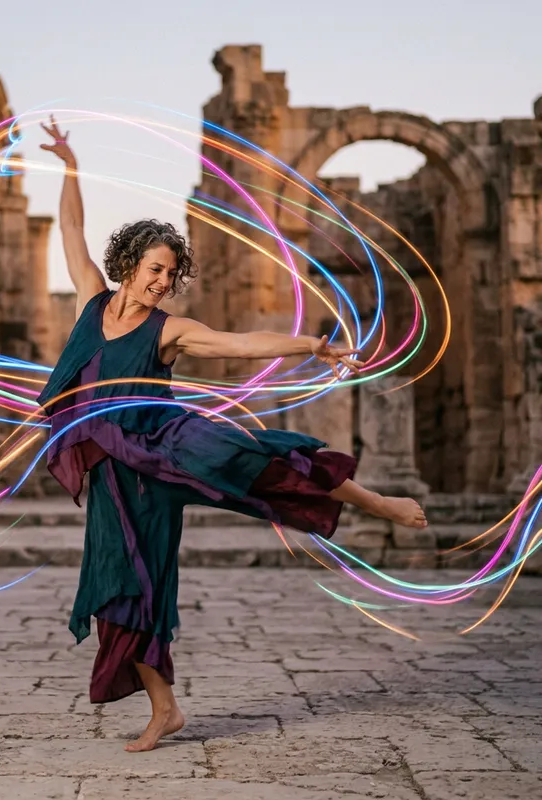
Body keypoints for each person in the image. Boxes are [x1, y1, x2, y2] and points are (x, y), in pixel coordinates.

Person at [35, 117, 427, 753]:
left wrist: (310, 346)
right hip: (117, 474)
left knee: (261, 461)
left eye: (172, 274)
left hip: (170, 443)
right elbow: (72, 230)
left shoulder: (169, 330)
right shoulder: (90, 300)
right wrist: (71, 166)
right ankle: (166, 709)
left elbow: (241, 344)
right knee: (125, 587)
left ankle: (377, 502)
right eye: (157, 269)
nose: (164, 281)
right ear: (130, 263)